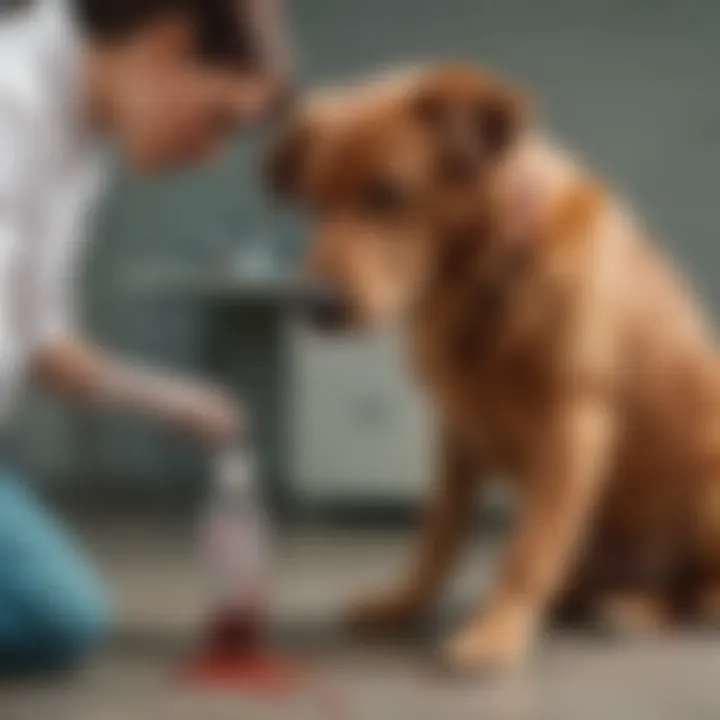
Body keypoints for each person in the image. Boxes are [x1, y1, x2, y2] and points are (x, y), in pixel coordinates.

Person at [0, 0, 291, 672]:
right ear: (169, 41)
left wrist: (172, 400)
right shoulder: (9, 103)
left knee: (60, 617)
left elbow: (37, 340)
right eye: (220, 119)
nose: (212, 155)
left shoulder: (78, 146)